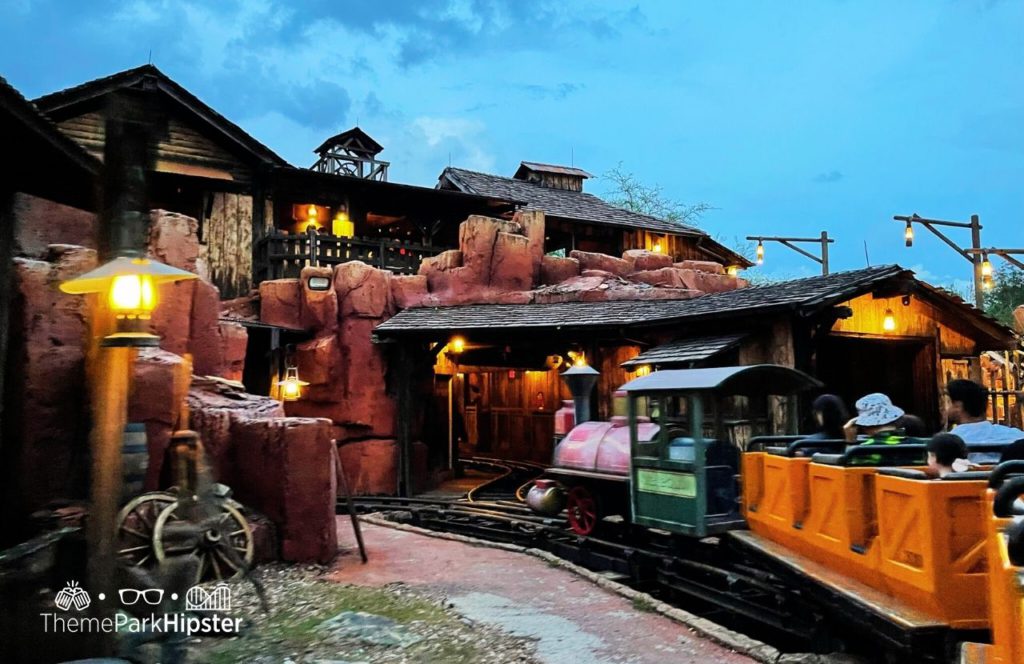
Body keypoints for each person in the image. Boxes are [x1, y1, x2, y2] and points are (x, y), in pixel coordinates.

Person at [944, 379, 1024, 444]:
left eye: (946, 402)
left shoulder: (945, 444)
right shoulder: (1017, 436)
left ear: (958, 406)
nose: (942, 408)